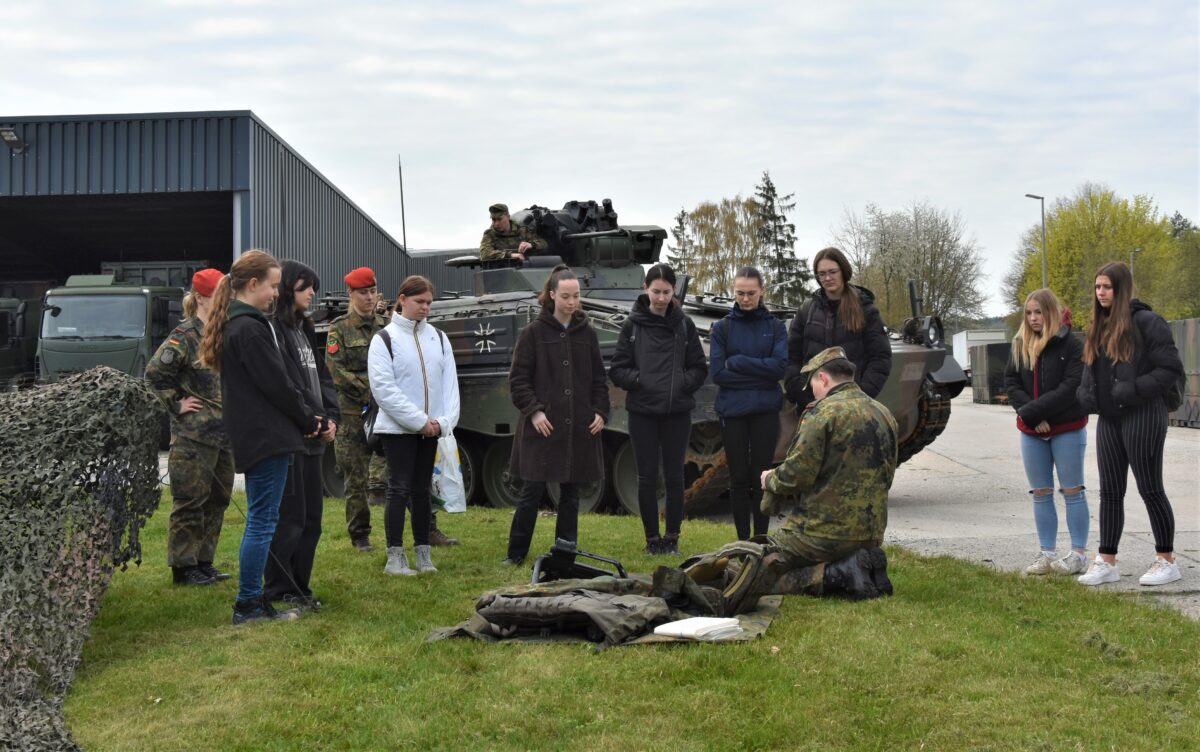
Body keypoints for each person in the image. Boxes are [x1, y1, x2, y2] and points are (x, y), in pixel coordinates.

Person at [198, 249, 321, 625]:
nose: (275, 293)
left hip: (264, 435)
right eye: (271, 286)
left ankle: (254, 602)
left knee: (263, 520)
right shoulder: (250, 328)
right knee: (263, 522)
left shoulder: (244, 324)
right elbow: (278, 384)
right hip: (267, 436)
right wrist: (307, 419)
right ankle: (248, 605)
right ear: (252, 285)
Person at [758, 346, 898, 599]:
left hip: (821, 534)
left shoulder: (822, 413)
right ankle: (855, 565)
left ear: (822, 377)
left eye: (812, 382)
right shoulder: (883, 412)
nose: (812, 390)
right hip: (871, 532)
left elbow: (797, 474)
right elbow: (887, 475)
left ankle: (835, 575)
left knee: (751, 568)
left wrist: (770, 479)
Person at [1076, 262, 1184, 587]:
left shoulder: (1148, 322)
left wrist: (1134, 389)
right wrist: (1085, 394)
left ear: (1121, 289)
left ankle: (1167, 560)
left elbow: (1170, 369)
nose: (1101, 293)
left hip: (1144, 415)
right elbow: (1089, 371)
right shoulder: (1099, 326)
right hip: (1110, 418)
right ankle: (1107, 561)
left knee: (1150, 488)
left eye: (1106, 287)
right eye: (1097, 287)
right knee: (1109, 491)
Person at [503, 265, 610, 565]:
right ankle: (515, 554)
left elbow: (599, 379)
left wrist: (600, 411)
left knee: (571, 493)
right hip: (542, 428)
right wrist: (534, 411)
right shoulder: (533, 333)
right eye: (566, 296)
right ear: (552, 295)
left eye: (576, 296)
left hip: (577, 427)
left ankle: (566, 553)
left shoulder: (586, 333)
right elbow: (518, 379)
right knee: (531, 491)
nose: (572, 302)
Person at [609, 263, 707, 555]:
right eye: (656, 292)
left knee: (676, 476)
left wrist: (680, 384)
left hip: (676, 411)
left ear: (674, 291)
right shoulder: (632, 325)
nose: (661, 298)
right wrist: (641, 380)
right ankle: (652, 539)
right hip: (643, 411)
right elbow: (618, 369)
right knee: (647, 476)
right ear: (645, 290)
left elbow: (699, 367)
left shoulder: (684, 325)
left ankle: (673, 537)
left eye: (666, 292)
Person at [146, 267, 234, 587]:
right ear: (200, 298)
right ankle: (183, 567)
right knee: (190, 501)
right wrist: (177, 404)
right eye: (218, 296)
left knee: (218, 500)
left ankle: (204, 560)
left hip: (223, 435)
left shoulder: (221, 334)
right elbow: (155, 376)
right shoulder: (184, 336)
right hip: (193, 435)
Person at [368, 275, 460, 576]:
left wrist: (443, 422)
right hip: (398, 429)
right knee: (398, 488)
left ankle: (424, 553)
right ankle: (395, 556)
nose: (425, 308)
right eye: (420, 302)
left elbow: (449, 385)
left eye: (429, 303)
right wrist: (419, 421)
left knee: (422, 490)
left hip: (431, 428)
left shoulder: (439, 338)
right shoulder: (384, 339)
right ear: (402, 299)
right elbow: (384, 389)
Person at [263, 261, 340, 612]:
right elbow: (287, 385)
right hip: (293, 437)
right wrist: (314, 419)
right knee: (290, 519)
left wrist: (332, 417)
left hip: (315, 436)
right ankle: (280, 587)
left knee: (312, 520)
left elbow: (322, 379)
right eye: (306, 287)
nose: (312, 293)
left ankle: (301, 585)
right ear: (286, 289)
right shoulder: (275, 330)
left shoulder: (305, 328)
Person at [1003, 289, 1090, 576]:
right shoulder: (1019, 344)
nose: (1032, 318)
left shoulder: (1072, 345)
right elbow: (1011, 382)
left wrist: (1037, 412)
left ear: (1050, 312)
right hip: (1032, 431)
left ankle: (1078, 553)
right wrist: (1030, 414)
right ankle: (1047, 552)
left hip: (1066, 427)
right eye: (1028, 313)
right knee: (1041, 492)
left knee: (1072, 491)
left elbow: (1070, 387)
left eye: (1038, 312)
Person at [709, 266, 788, 541]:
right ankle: (743, 540)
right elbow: (718, 373)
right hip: (733, 412)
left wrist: (739, 362)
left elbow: (779, 368)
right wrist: (759, 374)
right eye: (740, 293)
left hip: (765, 412)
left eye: (751, 293)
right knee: (739, 478)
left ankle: (761, 539)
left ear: (762, 291)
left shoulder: (775, 327)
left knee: (762, 477)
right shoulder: (722, 328)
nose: (745, 299)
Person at [326, 266, 392, 552]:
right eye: (362, 292)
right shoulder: (339, 328)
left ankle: (425, 527)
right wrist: (373, 389)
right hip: (353, 415)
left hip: (388, 412)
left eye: (372, 291)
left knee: (406, 471)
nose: (368, 297)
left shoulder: (387, 326)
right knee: (356, 477)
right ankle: (360, 534)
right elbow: (336, 370)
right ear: (351, 294)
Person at [784, 247, 891, 408]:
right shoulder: (806, 310)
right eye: (821, 274)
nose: (827, 278)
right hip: (811, 403)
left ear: (843, 271)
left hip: (852, 405)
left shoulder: (865, 310)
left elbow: (880, 357)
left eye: (832, 272)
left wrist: (862, 395)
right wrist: (799, 393)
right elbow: (792, 356)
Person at [480, 203, 548, 262]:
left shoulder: (522, 231)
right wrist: (510, 255)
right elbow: (485, 254)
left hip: (525, 268)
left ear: (508, 217)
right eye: (494, 220)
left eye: (499, 219)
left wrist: (531, 245)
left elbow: (544, 244)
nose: (496, 223)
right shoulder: (489, 235)